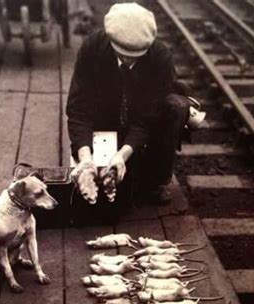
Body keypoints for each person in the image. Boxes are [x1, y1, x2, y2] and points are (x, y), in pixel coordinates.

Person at [66, 2, 200, 205]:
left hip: (142, 125)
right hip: (105, 121)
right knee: (96, 176)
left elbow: (148, 117)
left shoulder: (160, 58)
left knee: (176, 106)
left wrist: (123, 154)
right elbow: (78, 108)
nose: (128, 61)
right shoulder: (92, 48)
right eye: (122, 55)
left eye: (134, 57)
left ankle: (157, 181)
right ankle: (105, 159)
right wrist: (85, 156)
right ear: (111, 41)